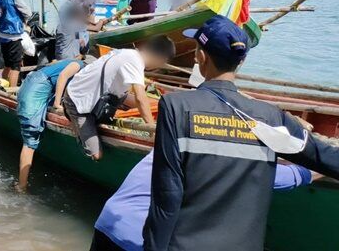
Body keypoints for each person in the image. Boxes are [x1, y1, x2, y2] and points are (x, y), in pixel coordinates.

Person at [143, 16, 339, 251]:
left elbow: (167, 195)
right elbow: (325, 158)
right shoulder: (272, 116)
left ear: (200, 57)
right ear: (242, 62)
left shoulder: (176, 106)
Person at [91, 150, 315, 251]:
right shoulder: (238, 162)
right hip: (144, 239)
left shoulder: (173, 141)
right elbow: (297, 176)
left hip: (108, 222)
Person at [63, 36, 175, 160]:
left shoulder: (129, 53)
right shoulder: (134, 60)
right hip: (78, 101)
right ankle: (78, 131)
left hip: (101, 95)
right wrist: (152, 129)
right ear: (160, 58)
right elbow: (140, 97)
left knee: (149, 103)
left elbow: (139, 99)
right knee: (97, 155)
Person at [16, 58, 84, 192]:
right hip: (36, 88)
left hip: (38, 86)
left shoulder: (72, 63)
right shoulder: (80, 65)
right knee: (30, 139)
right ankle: (21, 186)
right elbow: (63, 76)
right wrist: (57, 104)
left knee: (31, 137)